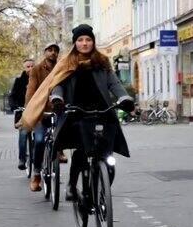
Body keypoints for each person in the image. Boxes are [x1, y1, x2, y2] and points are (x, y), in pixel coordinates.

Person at [16, 24, 134, 199]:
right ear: (75, 43)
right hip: (76, 112)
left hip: (102, 111)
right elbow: (58, 85)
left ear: (93, 42)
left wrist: (124, 98)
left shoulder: (102, 62)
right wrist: (57, 99)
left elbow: (114, 83)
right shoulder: (67, 63)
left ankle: (100, 188)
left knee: (108, 159)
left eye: (88, 40)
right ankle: (71, 186)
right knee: (81, 151)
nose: (84, 43)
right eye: (80, 40)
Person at [24, 43, 60, 191]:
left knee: (64, 134)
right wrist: (31, 110)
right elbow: (30, 91)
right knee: (39, 141)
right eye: (50, 50)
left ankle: (59, 152)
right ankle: (37, 174)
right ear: (44, 52)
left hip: (57, 110)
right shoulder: (37, 70)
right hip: (40, 112)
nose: (53, 53)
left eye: (55, 51)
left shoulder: (61, 68)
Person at [9, 58, 34, 170]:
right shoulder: (19, 81)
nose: (30, 68)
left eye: (32, 66)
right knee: (23, 135)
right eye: (28, 66)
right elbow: (12, 96)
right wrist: (14, 106)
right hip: (22, 113)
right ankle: (22, 159)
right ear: (24, 68)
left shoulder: (39, 79)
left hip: (36, 112)